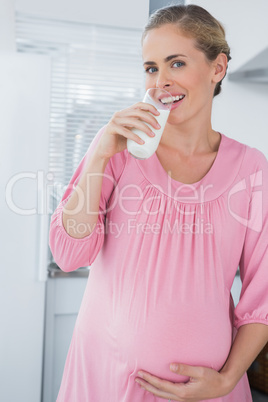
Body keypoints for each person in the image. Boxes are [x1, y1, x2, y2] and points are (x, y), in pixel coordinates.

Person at [49, 4, 268, 401]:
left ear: (217, 68)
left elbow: (263, 295)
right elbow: (70, 254)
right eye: (151, 68)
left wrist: (226, 379)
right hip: (105, 380)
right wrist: (99, 155)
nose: (160, 82)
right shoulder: (116, 147)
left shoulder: (251, 168)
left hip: (209, 392)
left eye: (177, 63)